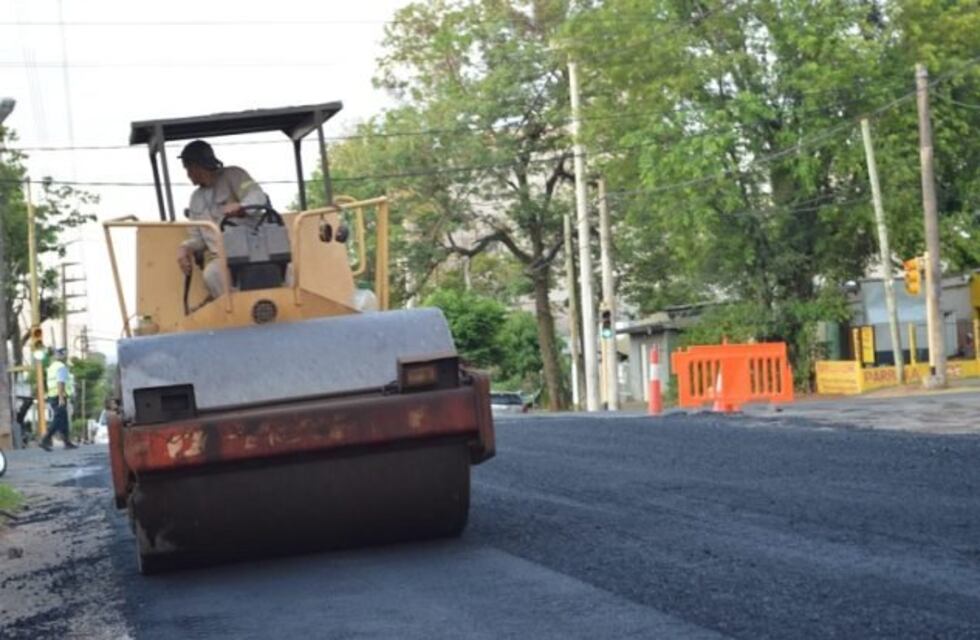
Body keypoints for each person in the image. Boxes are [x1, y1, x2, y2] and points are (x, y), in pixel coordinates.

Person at [175, 139, 270, 301]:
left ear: (201, 165)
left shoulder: (234, 175)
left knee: (287, 269)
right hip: (222, 258)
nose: (188, 173)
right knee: (212, 274)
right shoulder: (195, 199)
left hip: (253, 250)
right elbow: (198, 240)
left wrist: (242, 206)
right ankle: (236, 314)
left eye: (189, 167)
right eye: (187, 168)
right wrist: (185, 248)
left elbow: (258, 198)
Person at [40, 348, 77, 451]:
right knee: (58, 419)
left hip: (52, 395)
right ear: (63, 356)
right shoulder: (61, 367)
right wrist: (61, 397)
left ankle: (67, 442)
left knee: (63, 419)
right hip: (59, 396)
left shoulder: (52, 367)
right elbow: (60, 382)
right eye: (64, 355)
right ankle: (45, 439)